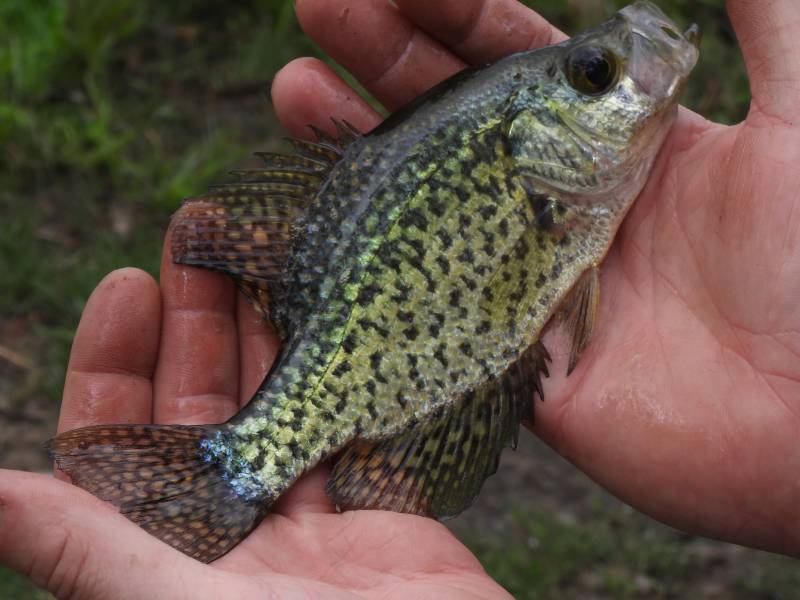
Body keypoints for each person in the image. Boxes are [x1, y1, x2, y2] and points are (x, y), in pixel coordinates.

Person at [2, 0, 799, 596]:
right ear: (532, 140)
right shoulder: (558, 199)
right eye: (596, 78)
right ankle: (238, 468)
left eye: (595, 73)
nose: (623, 78)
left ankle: (229, 477)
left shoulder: (577, 197)